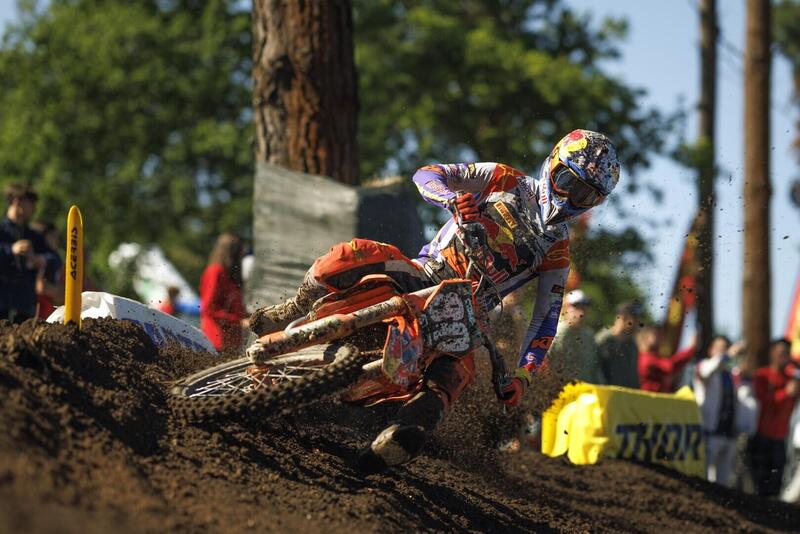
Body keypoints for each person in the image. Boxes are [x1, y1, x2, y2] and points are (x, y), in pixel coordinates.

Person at [249, 129, 620, 471]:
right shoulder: (503, 178)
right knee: (351, 254)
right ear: (552, 165)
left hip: (468, 311)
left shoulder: (557, 253)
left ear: (596, 202)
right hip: (426, 271)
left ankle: (399, 438)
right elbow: (427, 174)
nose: (569, 197)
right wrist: (452, 199)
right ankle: (297, 306)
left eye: (584, 195)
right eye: (567, 182)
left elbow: (545, 321)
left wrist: (522, 377)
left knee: (453, 377)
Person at [0, 184, 60, 323]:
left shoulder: (34, 236)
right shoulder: (2, 231)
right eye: (31, 204)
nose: (34, 209)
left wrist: (41, 260)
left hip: (25, 309)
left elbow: (56, 259)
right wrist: (11, 250)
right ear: (17, 201)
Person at [747, 338, 799, 497]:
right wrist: (785, 393)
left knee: (775, 486)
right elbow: (763, 402)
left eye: (787, 353)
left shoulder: (791, 378)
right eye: (781, 352)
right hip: (762, 436)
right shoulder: (762, 375)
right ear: (772, 353)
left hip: (781, 439)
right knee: (759, 486)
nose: (784, 356)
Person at [692, 335, 746, 486]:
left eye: (725, 348)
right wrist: (728, 355)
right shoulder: (703, 366)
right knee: (704, 480)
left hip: (728, 434)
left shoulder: (732, 375)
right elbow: (709, 369)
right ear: (711, 350)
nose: (723, 352)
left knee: (723, 484)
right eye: (719, 348)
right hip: (709, 432)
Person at [200, 233, 248, 352]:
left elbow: (236, 309)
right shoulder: (215, 272)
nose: (242, 256)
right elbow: (209, 309)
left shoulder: (231, 278)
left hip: (231, 344)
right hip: (216, 341)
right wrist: (239, 321)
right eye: (239, 252)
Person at [548, 289, 600, 383]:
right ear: (564, 308)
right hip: (558, 388)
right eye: (576, 306)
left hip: (586, 389)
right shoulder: (553, 332)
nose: (581, 312)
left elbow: (595, 369)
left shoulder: (589, 335)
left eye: (584, 307)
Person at [595, 301, 642, 388]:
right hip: (603, 392)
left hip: (622, 394)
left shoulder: (632, 345)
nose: (637, 323)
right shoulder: (604, 340)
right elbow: (594, 370)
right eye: (634, 319)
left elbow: (633, 376)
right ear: (623, 317)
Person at [636, 326, 696, 393]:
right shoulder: (646, 358)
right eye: (656, 335)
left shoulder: (652, 356)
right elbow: (670, 366)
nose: (660, 338)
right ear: (646, 338)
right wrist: (691, 350)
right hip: (650, 396)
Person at [29, 221, 64, 319]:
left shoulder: (55, 256)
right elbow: (40, 286)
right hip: (39, 305)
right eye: (54, 236)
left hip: (50, 305)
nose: (57, 240)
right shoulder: (41, 256)